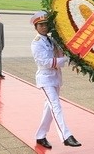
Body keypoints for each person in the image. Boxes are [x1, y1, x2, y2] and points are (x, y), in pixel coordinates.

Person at [30, 11, 81, 149]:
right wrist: (65, 59)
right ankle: (66, 136)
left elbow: (61, 53)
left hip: (56, 78)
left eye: (46, 24)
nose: (44, 27)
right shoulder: (36, 43)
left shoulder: (52, 40)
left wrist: (75, 57)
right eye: (40, 25)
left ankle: (40, 136)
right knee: (55, 105)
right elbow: (46, 62)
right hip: (45, 78)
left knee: (49, 108)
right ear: (36, 27)